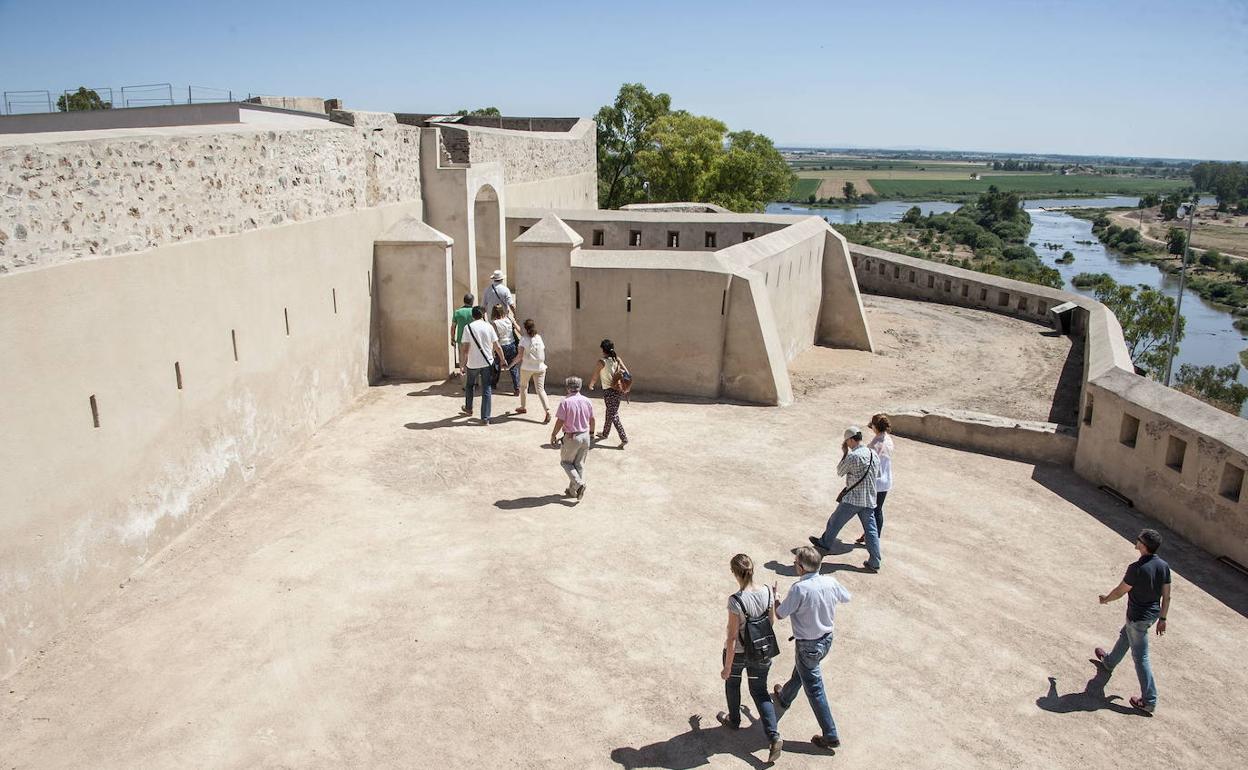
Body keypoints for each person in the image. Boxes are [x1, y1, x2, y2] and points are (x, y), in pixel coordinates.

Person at [771, 546, 851, 751]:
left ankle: (831, 734)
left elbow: (780, 614)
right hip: (826, 640)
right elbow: (846, 597)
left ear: (801, 567)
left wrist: (776, 598)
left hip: (808, 644)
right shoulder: (830, 581)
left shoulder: (799, 589)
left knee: (814, 689)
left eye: (795, 563)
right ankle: (785, 697)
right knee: (803, 671)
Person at [1094, 528, 1172, 713]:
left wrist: (1105, 599)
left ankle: (1149, 700)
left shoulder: (1136, 568)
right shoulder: (1163, 566)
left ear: (1143, 546)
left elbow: (1121, 591)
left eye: (1138, 539)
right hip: (1152, 616)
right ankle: (1109, 662)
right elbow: (1166, 596)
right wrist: (1163, 618)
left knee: (1141, 657)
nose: (1136, 541)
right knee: (1126, 634)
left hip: (1138, 618)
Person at [719, 554, 783, 764]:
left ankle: (734, 720)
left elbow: (732, 636)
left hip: (739, 653)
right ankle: (773, 737)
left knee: (733, 684)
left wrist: (727, 668)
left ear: (734, 574)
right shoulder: (766, 591)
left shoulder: (735, 600)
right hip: (761, 650)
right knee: (760, 691)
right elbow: (770, 622)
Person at [809, 427, 882, 572]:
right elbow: (878, 475)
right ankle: (875, 561)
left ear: (850, 440)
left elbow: (839, 472)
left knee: (835, 522)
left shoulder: (853, 456)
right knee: (871, 530)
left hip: (853, 499)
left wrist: (845, 454)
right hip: (869, 499)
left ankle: (824, 545)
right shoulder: (873, 454)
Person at [549, 376, 595, 500]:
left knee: (566, 463)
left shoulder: (565, 402)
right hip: (585, 435)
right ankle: (573, 491)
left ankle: (579, 484)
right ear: (579, 387)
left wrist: (554, 434)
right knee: (579, 464)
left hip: (572, 437)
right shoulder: (587, 400)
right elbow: (592, 419)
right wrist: (591, 433)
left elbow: (560, 421)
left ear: (567, 388)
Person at [459, 306, 507, 425]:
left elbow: (465, 350)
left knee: (470, 385)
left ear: (472, 316)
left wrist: (462, 365)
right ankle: (485, 418)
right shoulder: (489, 326)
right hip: (487, 362)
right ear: (483, 315)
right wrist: (502, 359)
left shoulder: (468, 327)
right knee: (486, 388)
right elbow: (497, 345)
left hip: (473, 362)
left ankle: (469, 408)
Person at [857, 414, 894, 546]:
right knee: (877, 510)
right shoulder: (888, 439)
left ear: (875, 426)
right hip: (885, 481)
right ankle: (872, 536)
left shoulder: (875, 445)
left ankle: (872, 538)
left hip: (875, 483)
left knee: (870, 511)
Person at [588, 338, 629, 447]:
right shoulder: (617, 359)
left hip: (609, 390)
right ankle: (605, 433)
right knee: (610, 411)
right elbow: (627, 373)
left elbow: (595, 376)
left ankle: (623, 438)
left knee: (613, 414)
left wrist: (591, 385)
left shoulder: (601, 362)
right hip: (618, 389)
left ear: (603, 350)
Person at [514, 319, 550, 423]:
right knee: (540, 390)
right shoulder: (538, 337)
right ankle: (547, 410)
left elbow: (520, 356)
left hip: (527, 367)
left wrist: (511, 364)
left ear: (525, 328)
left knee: (523, 386)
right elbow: (542, 350)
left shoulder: (524, 339)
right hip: (540, 367)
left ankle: (523, 406)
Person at [491, 304, 521, 395]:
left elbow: (495, 337)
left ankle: (493, 383)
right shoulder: (509, 319)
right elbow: (518, 329)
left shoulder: (494, 323)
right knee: (513, 367)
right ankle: (517, 388)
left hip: (501, 346)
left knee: (497, 365)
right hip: (511, 344)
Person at [449, 293, 475, 374]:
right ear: (472, 302)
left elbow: (453, 327)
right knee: (473, 360)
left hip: (461, 340)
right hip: (473, 339)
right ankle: (475, 381)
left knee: (462, 360)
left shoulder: (457, 312)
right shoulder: (475, 311)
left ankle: (464, 382)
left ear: (464, 301)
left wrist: (452, 338)